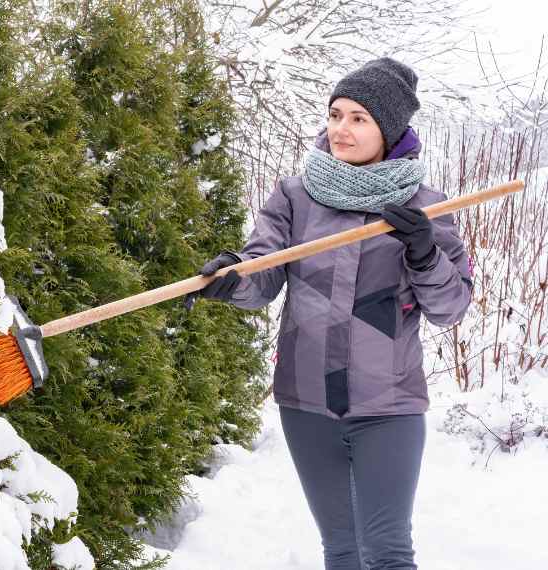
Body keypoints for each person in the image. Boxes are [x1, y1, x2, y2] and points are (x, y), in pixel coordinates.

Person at [185, 58, 473, 569]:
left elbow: (450, 309)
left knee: (386, 550)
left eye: (359, 118)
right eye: (335, 114)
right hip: (306, 401)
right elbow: (264, 271)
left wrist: (425, 253)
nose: (341, 129)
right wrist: (233, 278)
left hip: (388, 404)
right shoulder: (295, 196)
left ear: (389, 128)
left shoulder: (424, 206)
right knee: (341, 549)